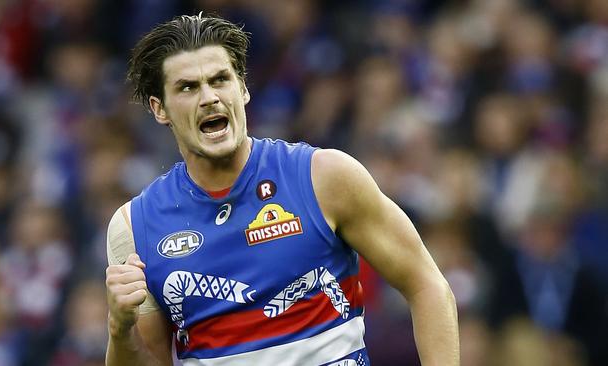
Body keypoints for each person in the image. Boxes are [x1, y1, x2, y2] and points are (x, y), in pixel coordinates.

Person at [105, 13, 459, 366]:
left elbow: (427, 285)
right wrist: (120, 331)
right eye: (188, 87)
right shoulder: (136, 227)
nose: (209, 97)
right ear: (159, 109)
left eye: (220, 80)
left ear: (242, 88)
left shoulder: (324, 177)